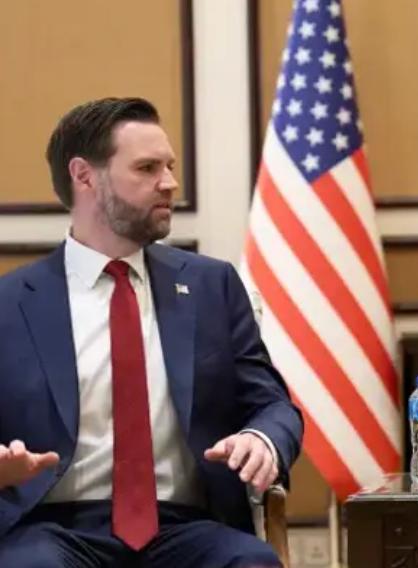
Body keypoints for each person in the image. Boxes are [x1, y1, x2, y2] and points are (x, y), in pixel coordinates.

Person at [0, 97, 303, 567]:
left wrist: (261, 439)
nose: (170, 183)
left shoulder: (211, 286)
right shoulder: (11, 303)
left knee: (251, 562)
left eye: (170, 166)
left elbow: (272, 404)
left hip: (184, 525)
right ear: (84, 176)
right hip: (54, 527)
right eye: (147, 168)